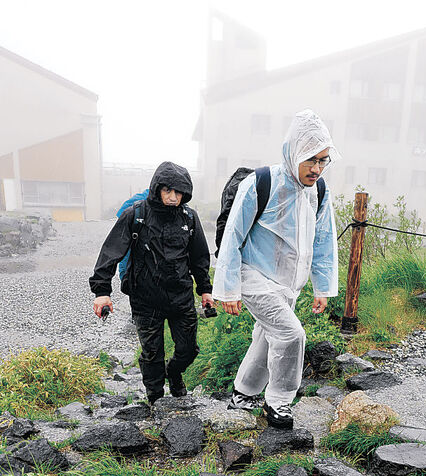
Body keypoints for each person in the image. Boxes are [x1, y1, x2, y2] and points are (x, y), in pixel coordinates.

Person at [213, 109, 339, 428]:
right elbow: (233, 236)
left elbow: (324, 241)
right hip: (252, 276)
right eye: (311, 159)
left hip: (288, 283)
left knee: (268, 336)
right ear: (294, 152)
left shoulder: (319, 193)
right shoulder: (261, 182)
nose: (317, 168)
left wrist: (323, 286)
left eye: (323, 160)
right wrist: (227, 289)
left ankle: (244, 392)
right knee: (290, 333)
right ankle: (279, 402)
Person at [89, 161, 213, 404]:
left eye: (178, 192)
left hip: (181, 297)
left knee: (188, 349)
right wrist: (102, 291)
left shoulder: (189, 217)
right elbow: (110, 252)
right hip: (145, 298)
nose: (173, 197)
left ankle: (175, 373)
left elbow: (199, 257)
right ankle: (155, 399)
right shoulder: (135, 215)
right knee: (152, 353)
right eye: (168, 190)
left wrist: (205, 290)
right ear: (157, 189)